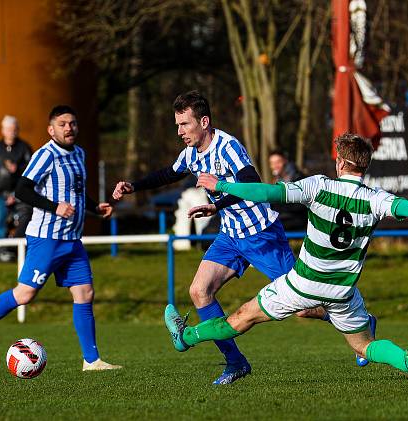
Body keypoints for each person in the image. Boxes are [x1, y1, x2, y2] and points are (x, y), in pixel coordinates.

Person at [163, 133, 408, 384]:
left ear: (340, 163)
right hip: (343, 293)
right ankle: (405, 360)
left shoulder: (319, 186)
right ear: (364, 166)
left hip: (302, 285)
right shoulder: (377, 199)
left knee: (240, 319)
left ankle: (186, 336)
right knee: (364, 346)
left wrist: (223, 186)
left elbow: (267, 194)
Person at [112, 90, 295, 385]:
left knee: (305, 305)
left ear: (204, 121)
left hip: (262, 234)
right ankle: (235, 363)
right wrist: (133, 186)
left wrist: (216, 202)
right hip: (230, 236)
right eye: (177, 125)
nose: (180, 131)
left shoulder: (229, 147)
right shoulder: (190, 154)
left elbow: (251, 182)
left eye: (184, 124)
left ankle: (357, 323)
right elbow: (168, 175)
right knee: (199, 291)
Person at [0, 105, 122, 371]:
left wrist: (94, 207)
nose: (69, 128)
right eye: (62, 124)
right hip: (47, 238)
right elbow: (22, 190)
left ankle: (91, 361)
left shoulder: (79, 153)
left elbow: (76, 192)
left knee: (85, 293)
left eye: (73, 123)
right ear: (51, 129)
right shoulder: (45, 155)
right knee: (24, 294)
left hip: (72, 240)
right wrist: (54, 206)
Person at [0, 115, 33, 262]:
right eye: (8, 129)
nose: (11, 132)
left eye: (14, 129)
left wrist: (17, 171)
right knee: (0, 222)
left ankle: (20, 253)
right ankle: (1, 252)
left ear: (17, 130)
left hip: (20, 195)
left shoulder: (24, 148)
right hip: (0, 195)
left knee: (24, 223)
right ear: (3, 130)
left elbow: (31, 170)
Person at [268, 150, 308, 231]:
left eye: (278, 162)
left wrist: (279, 206)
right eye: (272, 163)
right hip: (283, 217)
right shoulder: (276, 180)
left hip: (297, 219)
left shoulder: (298, 179)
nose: (275, 166)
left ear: (285, 161)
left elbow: (300, 205)